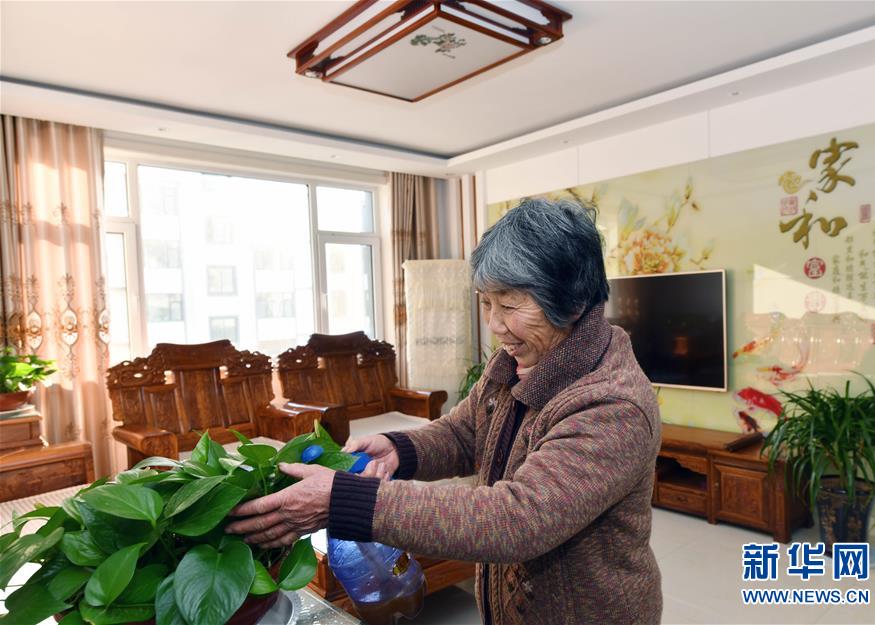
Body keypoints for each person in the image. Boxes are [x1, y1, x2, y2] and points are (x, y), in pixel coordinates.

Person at [227, 198, 663, 625]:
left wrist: (344, 500)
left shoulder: (612, 405)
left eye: (510, 305)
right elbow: (464, 432)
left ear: (571, 302)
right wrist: (400, 451)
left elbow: (517, 519)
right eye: (486, 302)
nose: (494, 325)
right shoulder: (516, 360)